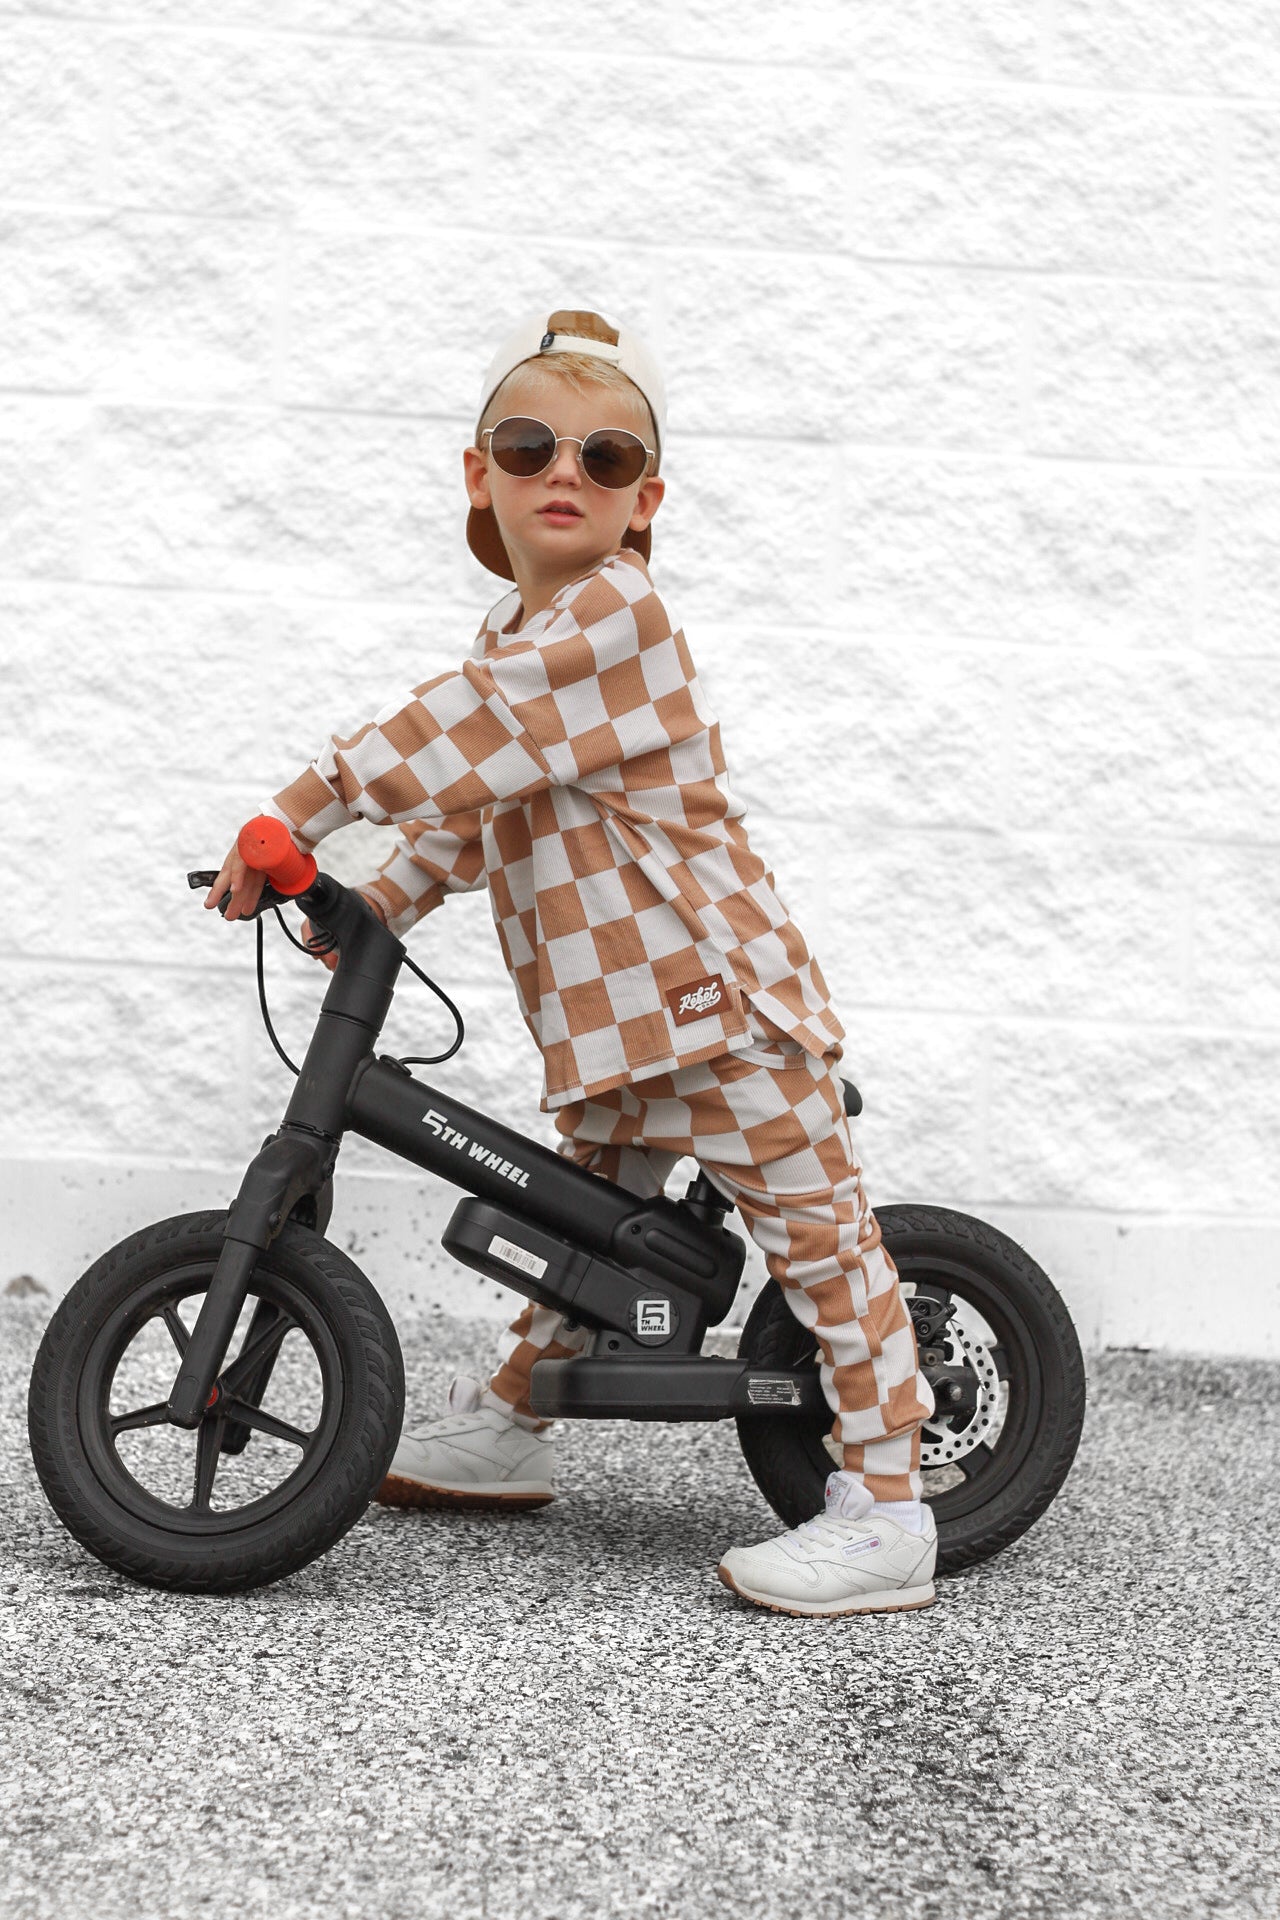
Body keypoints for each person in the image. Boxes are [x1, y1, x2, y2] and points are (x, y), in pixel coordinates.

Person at [205, 307, 937, 1616]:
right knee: (576, 1234)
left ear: (644, 499)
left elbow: (472, 729)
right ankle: (511, 1425)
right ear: (478, 472)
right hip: (617, 1026)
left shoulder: (616, 616)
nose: (564, 472)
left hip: (716, 1001)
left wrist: (307, 803)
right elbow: (472, 811)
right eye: (529, 445)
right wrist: (369, 903)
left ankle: (888, 1511)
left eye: (605, 457)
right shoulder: (516, 634)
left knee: (824, 1245)